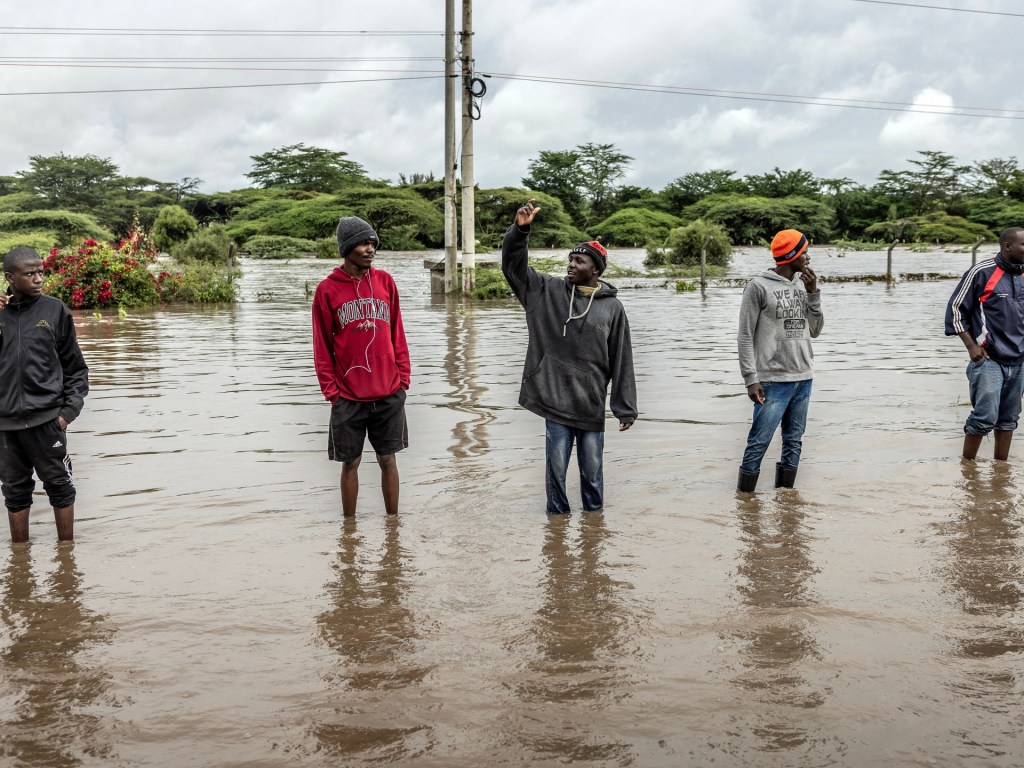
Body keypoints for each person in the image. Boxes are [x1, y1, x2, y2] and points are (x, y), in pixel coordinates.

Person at [502, 199, 637, 515]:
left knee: (592, 476)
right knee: (556, 475)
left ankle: (593, 531)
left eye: (579, 261)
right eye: (570, 259)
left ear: (596, 269)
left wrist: (624, 407)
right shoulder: (545, 291)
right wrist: (520, 231)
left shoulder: (612, 308)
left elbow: (622, 359)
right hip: (555, 400)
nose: (571, 265)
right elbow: (513, 267)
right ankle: (557, 532)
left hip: (589, 404)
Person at [312, 216, 410, 516]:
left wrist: (403, 379)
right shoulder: (327, 290)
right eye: (363, 243)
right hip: (347, 396)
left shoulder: (385, 282)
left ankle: (394, 527)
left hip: (389, 392)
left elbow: (397, 331)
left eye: (372, 244)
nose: (370, 249)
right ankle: (349, 530)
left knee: (388, 459)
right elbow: (322, 346)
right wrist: (332, 392)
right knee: (350, 463)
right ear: (347, 248)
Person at [0, 246, 89, 542]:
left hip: (47, 421)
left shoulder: (55, 310)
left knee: (60, 486)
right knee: (14, 492)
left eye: (41, 271)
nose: (39, 278)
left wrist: (66, 415)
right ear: (10, 277)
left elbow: (76, 368)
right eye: (30, 273)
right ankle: (19, 555)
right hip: (5, 426)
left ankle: (67, 558)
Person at [736, 229, 823, 493]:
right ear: (791, 255)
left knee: (794, 441)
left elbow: (816, 329)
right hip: (772, 380)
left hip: (803, 377)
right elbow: (744, 335)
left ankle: (786, 502)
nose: (807, 257)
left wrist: (813, 293)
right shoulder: (758, 287)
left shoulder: (803, 284)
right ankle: (745, 503)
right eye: (804, 251)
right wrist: (751, 379)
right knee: (759, 441)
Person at [945, 226, 1024, 461]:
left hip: (1020, 359)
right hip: (989, 358)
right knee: (984, 417)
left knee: (1009, 418)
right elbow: (956, 309)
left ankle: (1001, 470)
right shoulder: (982, 272)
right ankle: (967, 468)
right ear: (1007, 246)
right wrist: (971, 346)